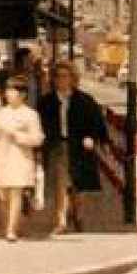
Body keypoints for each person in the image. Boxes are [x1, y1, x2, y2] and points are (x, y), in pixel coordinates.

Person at [37, 62, 108, 235]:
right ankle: (61, 221)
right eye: (57, 76)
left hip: (80, 148)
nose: (61, 80)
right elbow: (39, 125)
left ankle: (77, 215)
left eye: (65, 76)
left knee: (78, 188)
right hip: (57, 146)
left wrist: (93, 137)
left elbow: (97, 123)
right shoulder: (46, 101)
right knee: (61, 184)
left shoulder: (85, 100)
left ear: (72, 79)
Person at [0, 80, 44, 242]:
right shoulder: (0, 113)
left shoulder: (31, 115)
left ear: (22, 94)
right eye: (7, 91)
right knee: (3, 196)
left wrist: (18, 136)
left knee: (16, 193)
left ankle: (11, 230)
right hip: (2, 158)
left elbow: (38, 138)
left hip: (21, 159)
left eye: (12, 91)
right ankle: (12, 224)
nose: (8, 94)